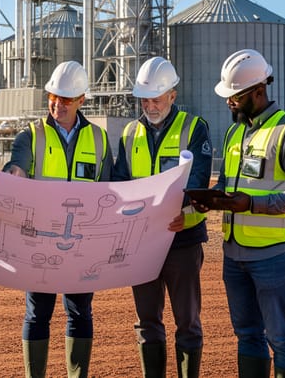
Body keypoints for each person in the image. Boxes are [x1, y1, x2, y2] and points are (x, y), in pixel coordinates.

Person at [203, 49, 285, 378]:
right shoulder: (234, 133)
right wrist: (211, 199)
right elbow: (228, 185)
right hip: (234, 253)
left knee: (281, 338)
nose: (230, 103)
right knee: (247, 336)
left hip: (276, 255)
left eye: (235, 97)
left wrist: (252, 204)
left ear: (258, 91)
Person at [2, 60, 113, 378]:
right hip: (40, 243)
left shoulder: (100, 139)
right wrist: (14, 172)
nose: (57, 103)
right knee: (37, 314)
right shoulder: (30, 135)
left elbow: (108, 192)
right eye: (53, 96)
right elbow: (18, 164)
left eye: (65, 98)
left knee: (80, 312)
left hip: (81, 245)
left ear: (81, 99)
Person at [112, 56, 213, 378]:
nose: (150, 106)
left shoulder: (194, 128)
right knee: (147, 321)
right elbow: (120, 182)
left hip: (181, 241)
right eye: (145, 99)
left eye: (156, 98)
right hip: (141, 243)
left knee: (187, 321)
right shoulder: (129, 133)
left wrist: (186, 216)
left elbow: (198, 182)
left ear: (173, 94)